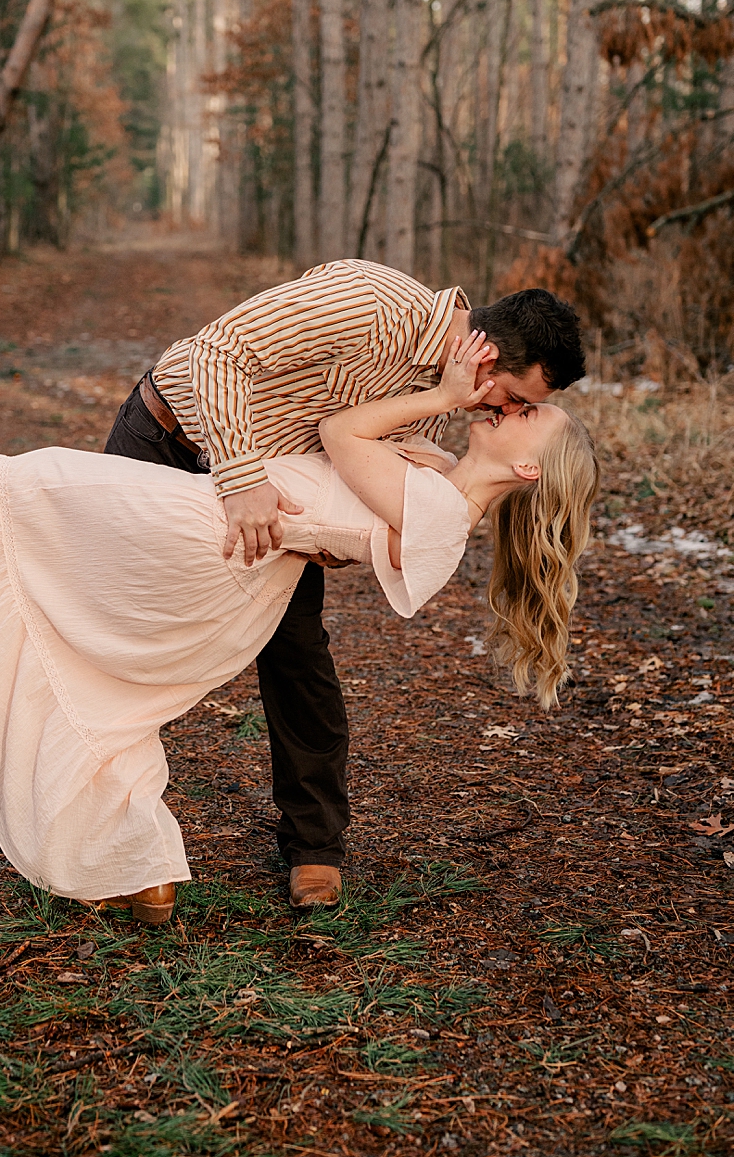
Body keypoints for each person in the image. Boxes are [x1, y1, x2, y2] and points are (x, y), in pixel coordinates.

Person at [0, 329, 597, 922]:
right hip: (227, 533)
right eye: (520, 399)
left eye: (529, 416)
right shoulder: (438, 483)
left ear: (529, 469)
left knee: (38, 480)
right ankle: (140, 870)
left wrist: (445, 394)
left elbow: (338, 434)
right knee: (102, 670)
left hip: (209, 533)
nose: (508, 408)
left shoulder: (444, 514)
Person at [99, 265, 588, 907]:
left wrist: (337, 540)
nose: (509, 411)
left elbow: (362, 489)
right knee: (124, 645)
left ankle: (313, 849)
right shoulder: (374, 301)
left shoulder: (445, 405)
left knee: (297, 657)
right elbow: (218, 353)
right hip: (171, 447)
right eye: (517, 399)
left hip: (276, 514)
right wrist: (241, 479)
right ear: (487, 360)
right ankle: (112, 845)